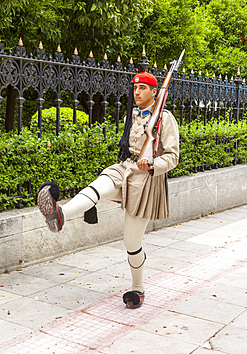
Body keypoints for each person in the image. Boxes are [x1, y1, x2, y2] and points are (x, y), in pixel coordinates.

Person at [37, 71, 179, 309]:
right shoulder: (132, 114)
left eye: (143, 88)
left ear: (155, 92)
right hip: (125, 167)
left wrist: (154, 163)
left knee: (131, 242)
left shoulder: (165, 118)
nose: (137, 92)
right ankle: (60, 215)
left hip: (146, 179)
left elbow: (173, 157)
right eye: (135, 88)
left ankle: (138, 289)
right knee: (99, 185)